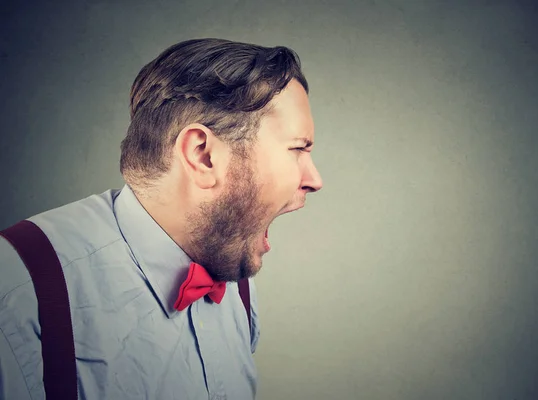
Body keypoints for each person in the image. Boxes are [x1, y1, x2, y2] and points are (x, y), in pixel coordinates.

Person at [0, 38, 323, 400]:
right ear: (203, 155)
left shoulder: (235, 275)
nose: (315, 180)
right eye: (298, 149)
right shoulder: (16, 288)